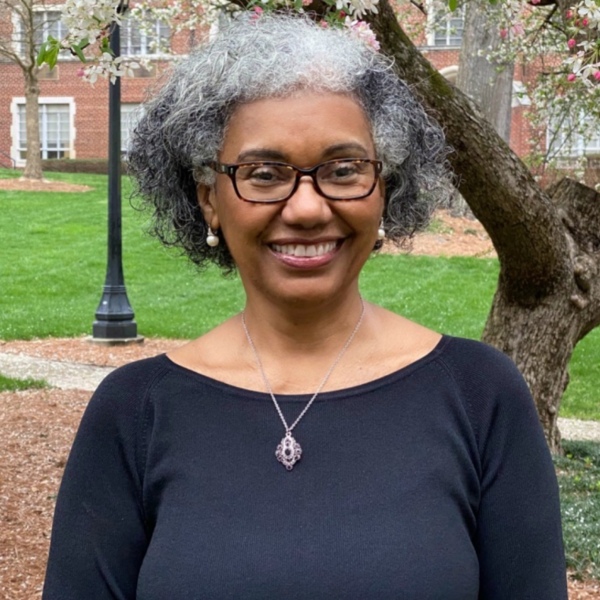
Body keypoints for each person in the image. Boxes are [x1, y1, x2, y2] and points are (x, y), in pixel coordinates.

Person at [42, 12, 568, 600]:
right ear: (209, 199)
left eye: (343, 170)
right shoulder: (136, 414)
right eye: (265, 174)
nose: (308, 207)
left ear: (385, 187)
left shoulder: (479, 396)